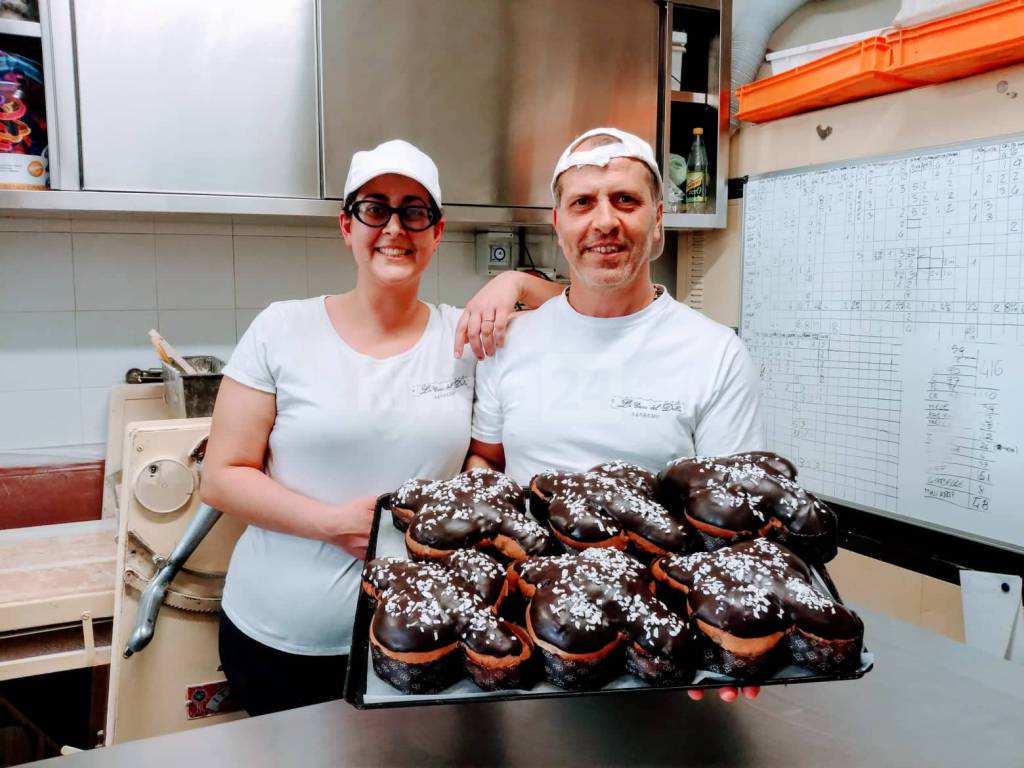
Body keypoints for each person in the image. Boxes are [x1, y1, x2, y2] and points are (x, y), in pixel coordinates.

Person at [200, 139, 561, 716]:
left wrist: (515, 283)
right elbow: (222, 477)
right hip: (282, 637)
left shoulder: (463, 339)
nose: (395, 227)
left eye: (414, 212)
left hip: (427, 639)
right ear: (347, 225)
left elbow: (579, 306)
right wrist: (333, 524)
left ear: (437, 233)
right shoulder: (282, 329)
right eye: (376, 208)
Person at [465, 127, 766, 702]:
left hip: (661, 643)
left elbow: (735, 519)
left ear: (658, 219)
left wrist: (733, 626)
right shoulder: (510, 343)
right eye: (583, 203)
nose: (604, 221)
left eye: (625, 200)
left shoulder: (714, 352)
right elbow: (486, 456)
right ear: (558, 224)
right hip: (530, 634)